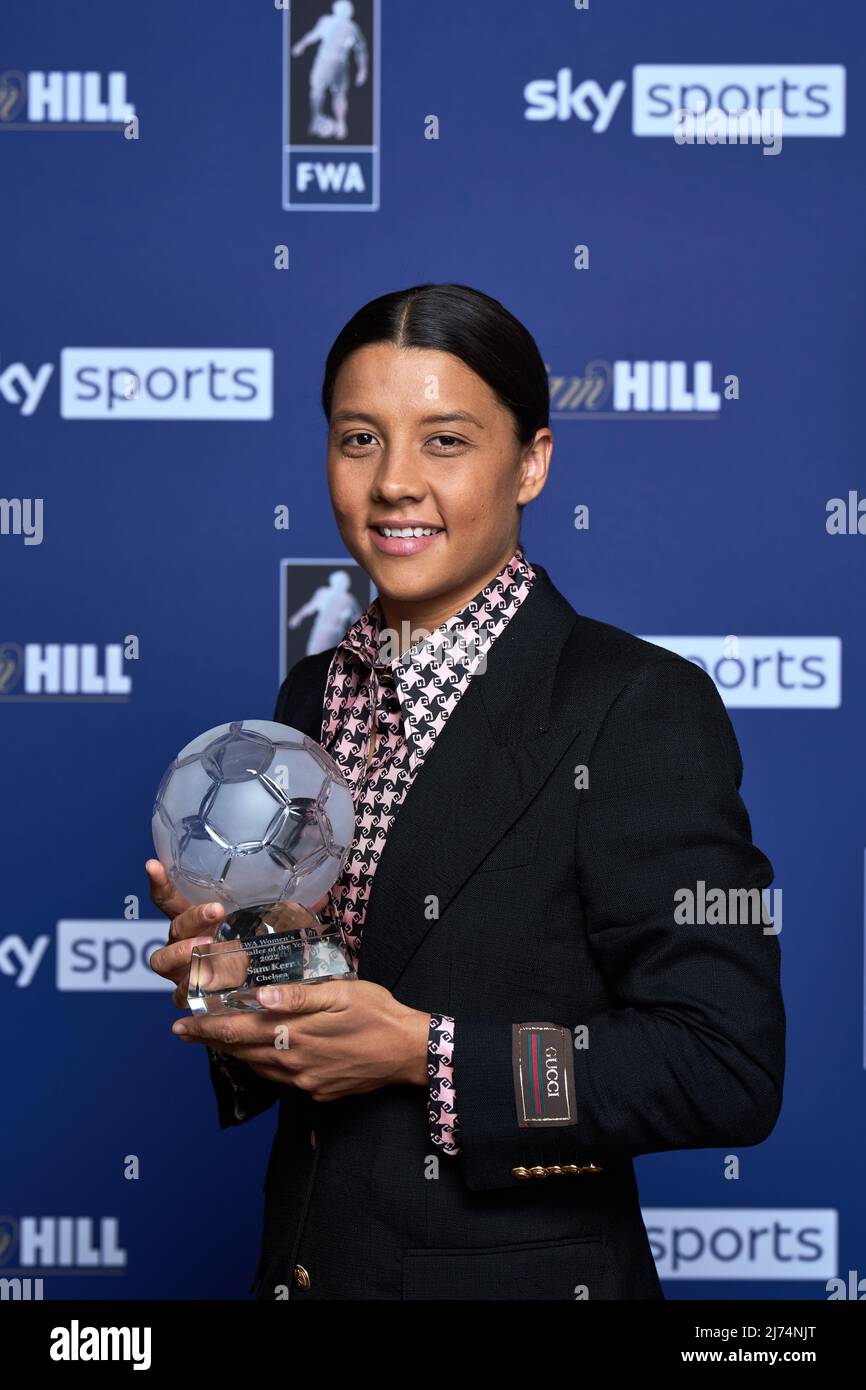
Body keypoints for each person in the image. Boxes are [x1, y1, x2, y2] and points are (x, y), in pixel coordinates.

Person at [147, 282, 786, 1301]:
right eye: (360, 439)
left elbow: (722, 1065)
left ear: (531, 462)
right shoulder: (312, 695)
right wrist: (244, 975)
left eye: (444, 441)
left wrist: (425, 1055)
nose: (395, 482)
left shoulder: (633, 705)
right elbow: (331, 999)